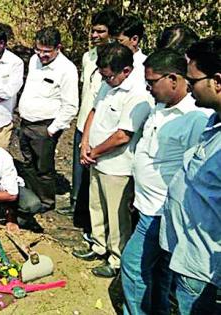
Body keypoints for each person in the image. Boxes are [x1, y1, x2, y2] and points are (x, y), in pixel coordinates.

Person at [121, 49, 210, 314]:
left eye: (152, 82)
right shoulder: (160, 106)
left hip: (161, 211)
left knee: (133, 266)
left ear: (173, 79)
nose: (148, 89)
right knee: (159, 272)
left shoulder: (195, 118)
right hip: (147, 204)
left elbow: (194, 174)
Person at [74, 42, 154, 278]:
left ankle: (117, 258)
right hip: (96, 159)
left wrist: (94, 151)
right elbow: (94, 111)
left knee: (117, 215)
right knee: (96, 205)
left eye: (109, 76)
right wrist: (85, 143)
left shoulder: (138, 95)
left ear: (126, 71)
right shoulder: (107, 84)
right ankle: (98, 245)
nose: (105, 79)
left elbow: (123, 135)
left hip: (118, 166)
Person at [159, 36, 221, 314]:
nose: (188, 86)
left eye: (192, 80)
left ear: (217, 81)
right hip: (189, 254)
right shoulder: (213, 119)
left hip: (203, 264)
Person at [58, 9, 119, 240]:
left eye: (100, 31)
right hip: (84, 120)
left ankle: (94, 227)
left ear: (112, 35)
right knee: (79, 169)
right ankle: (76, 206)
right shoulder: (87, 56)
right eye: (92, 30)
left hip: (102, 126)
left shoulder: (120, 61)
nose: (94, 35)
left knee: (96, 172)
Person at [18, 27, 79, 211]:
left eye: (47, 51)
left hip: (45, 126)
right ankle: (32, 197)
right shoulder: (34, 60)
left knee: (43, 167)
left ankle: (46, 202)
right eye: (38, 49)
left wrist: (52, 129)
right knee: (28, 163)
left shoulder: (67, 69)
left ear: (58, 48)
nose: (41, 55)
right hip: (26, 122)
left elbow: (71, 106)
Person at [114, 15, 147, 84]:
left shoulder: (145, 66)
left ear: (134, 40)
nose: (115, 45)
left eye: (120, 41)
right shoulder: (110, 62)